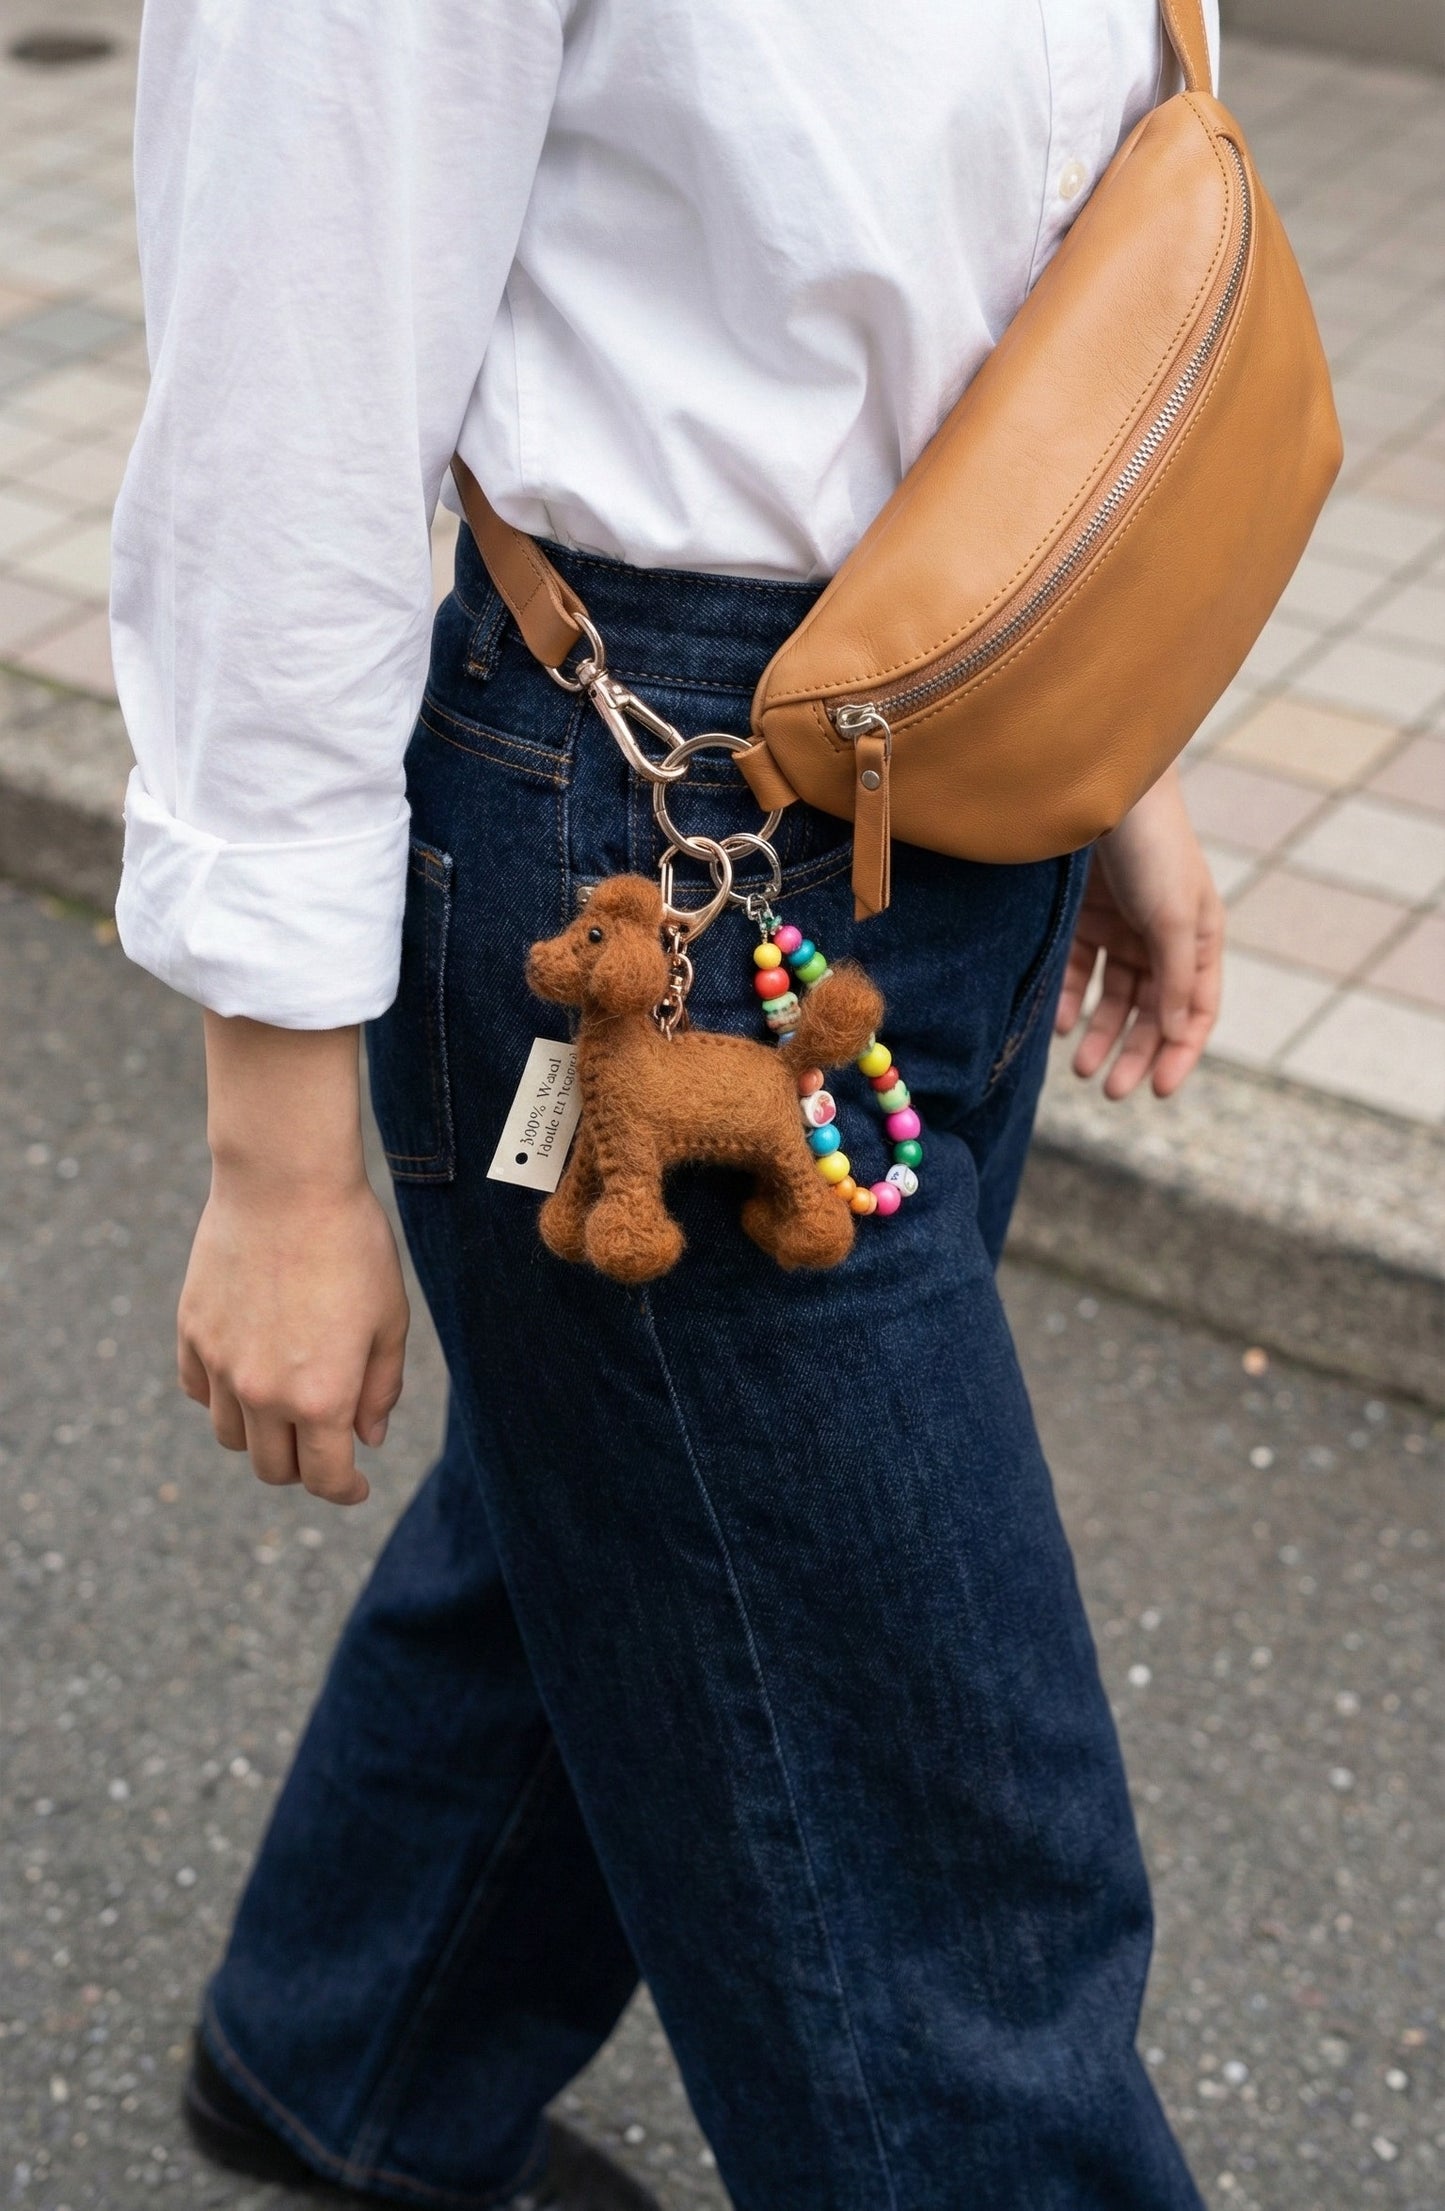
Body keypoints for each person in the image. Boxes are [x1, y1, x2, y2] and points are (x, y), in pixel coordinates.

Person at [111, 2, 1224, 2205]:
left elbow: (1021, 194)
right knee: (951, 1886)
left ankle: (358, 2047)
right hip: (655, 792)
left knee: (672, 1502)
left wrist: (1109, 740)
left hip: (973, 706)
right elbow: (289, 383)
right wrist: (278, 1147)